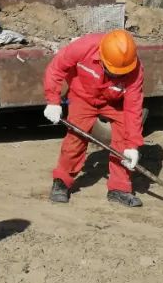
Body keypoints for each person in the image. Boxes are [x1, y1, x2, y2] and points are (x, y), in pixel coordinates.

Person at [43, 29, 146, 207]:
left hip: (114, 102)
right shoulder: (83, 47)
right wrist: (53, 101)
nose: (117, 76)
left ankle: (119, 189)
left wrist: (133, 146)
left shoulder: (134, 70)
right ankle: (62, 182)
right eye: (113, 72)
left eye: (121, 74)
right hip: (82, 96)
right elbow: (56, 69)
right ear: (102, 57)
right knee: (75, 137)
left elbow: (133, 109)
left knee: (123, 138)